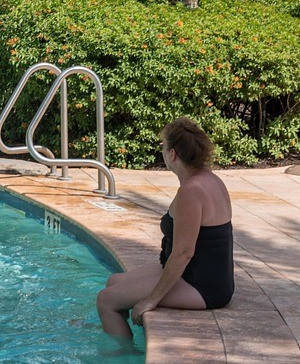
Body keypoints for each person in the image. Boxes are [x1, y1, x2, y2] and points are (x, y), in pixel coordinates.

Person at [96, 117, 234, 340]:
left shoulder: (192, 190)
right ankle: (117, 331)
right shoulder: (208, 179)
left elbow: (183, 252)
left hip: (203, 287)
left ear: (172, 154)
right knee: (114, 282)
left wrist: (151, 300)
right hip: (200, 275)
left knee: (106, 301)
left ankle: (122, 354)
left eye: (163, 147)